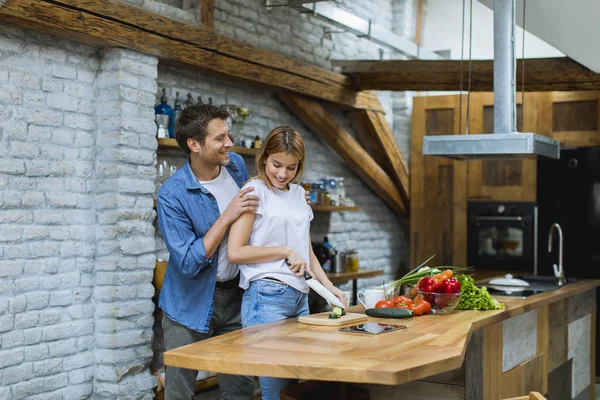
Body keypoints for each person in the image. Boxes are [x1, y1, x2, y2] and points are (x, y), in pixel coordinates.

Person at [227, 126, 347, 400]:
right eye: (276, 164)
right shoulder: (254, 191)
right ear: (264, 158)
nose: (282, 174)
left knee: (292, 392)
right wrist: (283, 251)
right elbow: (236, 252)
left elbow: (306, 252)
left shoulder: (298, 195)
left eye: (291, 167)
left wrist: (331, 290)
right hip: (266, 297)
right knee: (274, 391)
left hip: (300, 298)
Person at [156, 104, 258, 400]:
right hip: (189, 302)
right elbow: (188, 263)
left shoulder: (235, 165)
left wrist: (292, 193)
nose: (229, 143)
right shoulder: (172, 194)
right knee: (179, 392)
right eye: (220, 138)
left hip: (237, 296)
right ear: (194, 145)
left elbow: (261, 199)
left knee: (239, 390)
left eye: (229, 135)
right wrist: (226, 216)